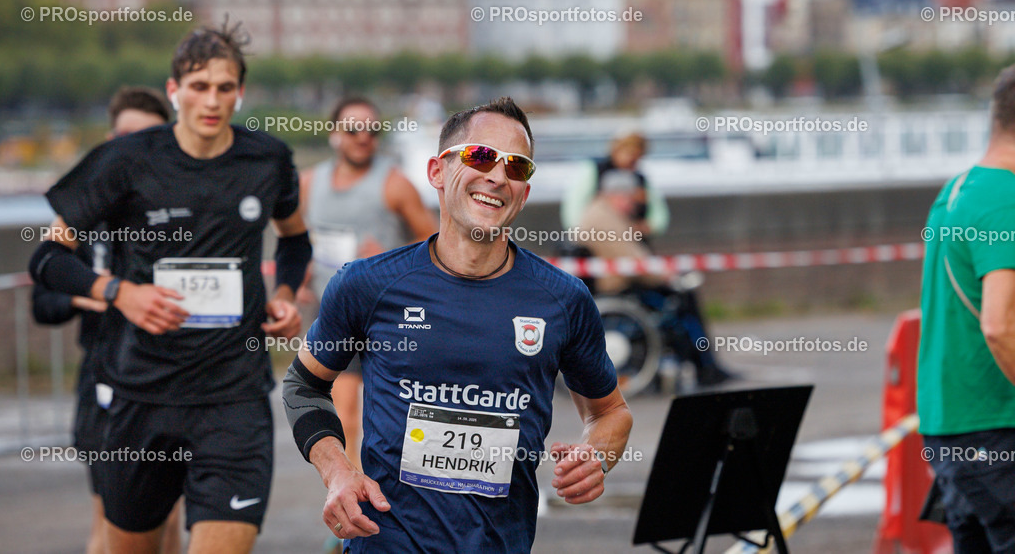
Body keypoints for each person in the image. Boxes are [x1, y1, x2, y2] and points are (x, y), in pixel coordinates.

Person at [282, 97, 632, 552]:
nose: (497, 176)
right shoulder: (366, 285)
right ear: (437, 172)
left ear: (524, 193)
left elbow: (610, 411)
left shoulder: (562, 299)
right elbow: (302, 386)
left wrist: (596, 457)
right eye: (480, 156)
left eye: (517, 167)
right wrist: (337, 471)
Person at [28, 22, 311, 554]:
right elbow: (47, 259)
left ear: (240, 93)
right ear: (175, 89)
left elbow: (295, 243)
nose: (212, 100)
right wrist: (119, 293)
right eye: (199, 86)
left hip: (234, 400)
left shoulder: (268, 161)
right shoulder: (127, 160)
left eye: (225, 88)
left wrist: (286, 297)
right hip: (142, 396)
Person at [31, 86, 182, 554]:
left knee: (169, 519)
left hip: (169, 379)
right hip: (101, 384)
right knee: (109, 518)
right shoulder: (87, 212)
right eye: (122, 135)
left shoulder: (178, 213)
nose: (129, 146)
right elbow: (43, 302)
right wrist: (92, 296)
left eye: (144, 135)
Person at [298, 95, 437, 553]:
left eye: (372, 131)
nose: (364, 139)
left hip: (381, 319)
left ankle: (361, 512)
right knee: (337, 414)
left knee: (364, 417)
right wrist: (293, 281)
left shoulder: (394, 185)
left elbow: (436, 241)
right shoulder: (309, 182)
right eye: (354, 130)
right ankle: (347, 507)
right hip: (328, 315)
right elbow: (296, 239)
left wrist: (388, 261)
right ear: (335, 133)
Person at [918, 64, 1015, 552]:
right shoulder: (1006, 200)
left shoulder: (956, 191)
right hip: (997, 427)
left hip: (948, 429)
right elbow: (999, 325)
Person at [578, 169, 734, 386]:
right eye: (631, 198)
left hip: (617, 283)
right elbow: (635, 263)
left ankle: (704, 363)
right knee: (683, 300)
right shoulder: (604, 219)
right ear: (618, 194)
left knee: (681, 297)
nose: (633, 205)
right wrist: (668, 277)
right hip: (620, 286)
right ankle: (705, 366)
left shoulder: (600, 213)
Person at [561, 131, 669, 243]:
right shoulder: (594, 170)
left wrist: (645, 227)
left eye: (636, 156)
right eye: (629, 153)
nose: (631, 160)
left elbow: (657, 216)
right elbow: (575, 207)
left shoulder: (640, 179)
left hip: (630, 238)